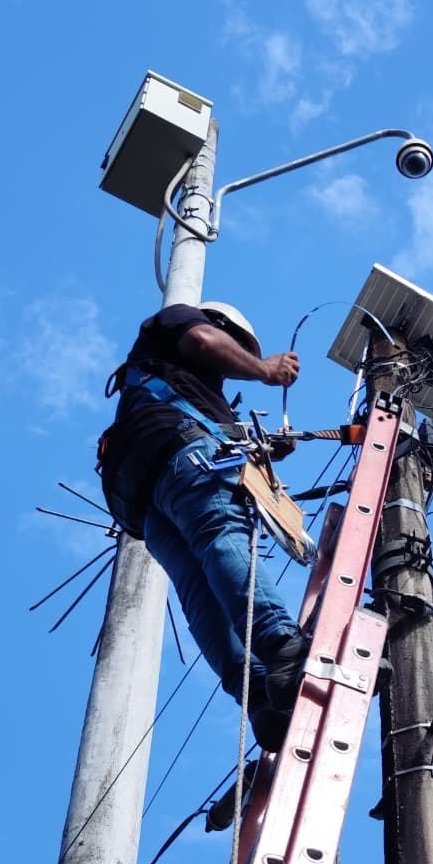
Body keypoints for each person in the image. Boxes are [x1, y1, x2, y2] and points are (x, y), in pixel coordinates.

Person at [97, 301, 308, 750]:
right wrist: (265, 370)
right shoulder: (179, 319)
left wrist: (265, 451)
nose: (235, 362)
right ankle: (282, 647)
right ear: (221, 325)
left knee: (198, 588)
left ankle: (259, 697)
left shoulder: (179, 384)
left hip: (144, 499)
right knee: (221, 534)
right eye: (238, 347)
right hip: (180, 454)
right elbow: (202, 340)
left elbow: (212, 423)